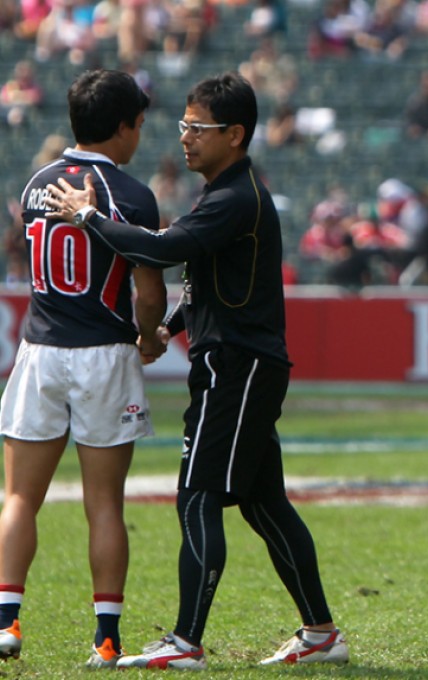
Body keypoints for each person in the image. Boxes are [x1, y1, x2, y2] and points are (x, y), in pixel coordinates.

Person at [43, 72, 348, 670]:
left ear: (234, 135)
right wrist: (168, 330)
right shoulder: (223, 193)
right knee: (264, 504)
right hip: (241, 361)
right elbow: (211, 286)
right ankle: (320, 633)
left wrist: (88, 217)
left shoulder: (236, 198)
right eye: (183, 125)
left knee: (196, 496)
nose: (184, 138)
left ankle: (186, 641)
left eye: (197, 128)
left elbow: (161, 250)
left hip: (237, 367)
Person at [0, 69, 167, 668]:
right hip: (104, 354)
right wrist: (151, 336)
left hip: (40, 352)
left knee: (19, 497)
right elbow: (148, 293)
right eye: (140, 126)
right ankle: (105, 638)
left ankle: (5, 622)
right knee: (104, 503)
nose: (140, 137)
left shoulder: (34, 185)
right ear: (122, 128)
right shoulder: (132, 194)